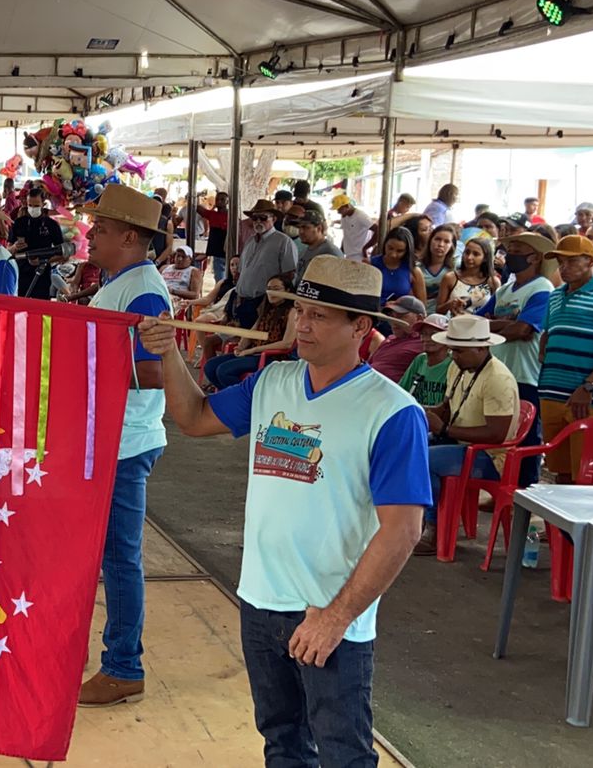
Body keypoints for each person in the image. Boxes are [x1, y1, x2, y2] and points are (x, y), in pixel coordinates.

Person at [137, 256, 428, 761]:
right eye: (301, 311)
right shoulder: (274, 382)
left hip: (327, 613)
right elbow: (194, 417)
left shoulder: (392, 412)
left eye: (320, 315)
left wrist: (336, 617)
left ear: (360, 326)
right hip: (260, 599)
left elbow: (402, 532)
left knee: (343, 751)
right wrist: (168, 355)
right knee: (282, 740)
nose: (303, 324)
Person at [71, 185, 173, 707]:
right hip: (108, 438)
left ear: (130, 237)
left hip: (125, 443)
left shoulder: (145, 291)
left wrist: (83, 363)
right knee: (110, 555)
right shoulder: (122, 282)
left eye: (102, 230)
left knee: (120, 558)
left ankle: (123, 665)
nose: (91, 237)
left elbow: (154, 371)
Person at [412, 314, 520, 556]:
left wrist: (443, 429)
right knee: (409, 448)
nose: (454, 356)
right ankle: (415, 518)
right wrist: (429, 415)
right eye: (453, 350)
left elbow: (497, 435)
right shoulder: (459, 367)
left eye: (459, 351)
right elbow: (449, 407)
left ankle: (434, 528)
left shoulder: (497, 379)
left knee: (424, 460)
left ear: (481, 348)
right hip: (460, 444)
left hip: (490, 457)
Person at [535, 234, 593, 481]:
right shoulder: (555, 295)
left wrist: (589, 386)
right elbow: (548, 332)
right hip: (551, 392)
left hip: (586, 396)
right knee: (560, 471)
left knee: (585, 475)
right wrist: (545, 353)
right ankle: (556, 522)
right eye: (560, 262)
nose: (563, 268)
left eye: (571, 261)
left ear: (590, 261)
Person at [473, 234, 556, 486]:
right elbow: (476, 323)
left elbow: (524, 330)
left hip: (525, 373)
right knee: (501, 436)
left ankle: (524, 492)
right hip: (499, 371)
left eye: (517, 249)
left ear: (534, 257)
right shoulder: (506, 289)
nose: (509, 254)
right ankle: (504, 486)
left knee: (527, 437)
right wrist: (504, 324)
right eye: (509, 249)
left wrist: (494, 325)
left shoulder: (542, 288)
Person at [202, 277, 298, 390]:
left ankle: (245, 397)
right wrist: (241, 346)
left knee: (224, 371)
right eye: (269, 289)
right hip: (253, 353)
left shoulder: (292, 312)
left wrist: (253, 350)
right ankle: (229, 395)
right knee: (210, 366)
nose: (271, 292)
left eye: (276, 289)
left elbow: (287, 343)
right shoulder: (267, 309)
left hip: (272, 356)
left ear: (287, 291)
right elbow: (252, 332)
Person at [232, 199, 296, 329]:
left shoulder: (284, 242)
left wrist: (272, 302)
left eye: (263, 218)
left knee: (254, 344)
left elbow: (289, 276)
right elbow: (242, 270)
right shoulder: (250, 241)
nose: (258, 221)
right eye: (255, 218)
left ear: (273, 218)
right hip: (243, 301)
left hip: (263, 303)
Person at [8, 183, 66, 299]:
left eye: (36, 206)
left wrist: (43, 260)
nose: (32, 209)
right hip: (21, 275)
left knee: (41, 312)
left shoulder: (51, 225)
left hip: (42, 278)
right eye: (30, 205)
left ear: (43, 204)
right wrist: (14, 247)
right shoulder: (19, 223)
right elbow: (7, 251)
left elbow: (62, 254)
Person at [397, 314, 452, 407]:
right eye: (423, 334)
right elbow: (401, 391)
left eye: (433, 334)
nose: (427, 339)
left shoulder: (453, 364)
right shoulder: (420, 359)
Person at [368, 297, 426, 381]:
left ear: (419, 318)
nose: (394, 321)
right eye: (392, 316)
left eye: (401, 316)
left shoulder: (424, 342)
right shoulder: (389, 339)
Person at [370, 226, 426, 306]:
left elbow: (421, 304)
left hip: (400, 315)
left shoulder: (414, 271)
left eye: (399, 251)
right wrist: (384, 303)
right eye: (390, 248)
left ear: (407, 251)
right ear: (385, 244)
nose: (393, 254)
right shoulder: (371, 264)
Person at [417, 225, 456, 313]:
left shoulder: (455, 270)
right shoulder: (417, 267)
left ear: (452, 246)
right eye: (437, 239)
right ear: (430, 240)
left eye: (446, 241)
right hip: (419, 314)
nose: (441, 244)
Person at [295, 210, 342, 277]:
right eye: (299, 227)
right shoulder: (305, 250)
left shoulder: (330, 252)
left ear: (319, 228)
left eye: (305, 227)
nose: (301, 231)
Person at [197, 192, 231, 280]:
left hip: (228, 252)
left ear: (227, 202)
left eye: (222, 199)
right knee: (219, 278)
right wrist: (198, 197)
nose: (219, 201)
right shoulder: (213, 214)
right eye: (217, 199)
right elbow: (198, 209)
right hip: (217, 253)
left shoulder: (231, 216)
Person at [333, 194, 376, 263]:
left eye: (339, 209)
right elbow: (346, 234)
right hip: (349, 254)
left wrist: (366, 247)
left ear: (347, 206)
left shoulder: (361, 216)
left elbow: (377, 230)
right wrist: (341, 250)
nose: (338, 212)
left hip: (359, 256)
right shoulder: (344, 216)